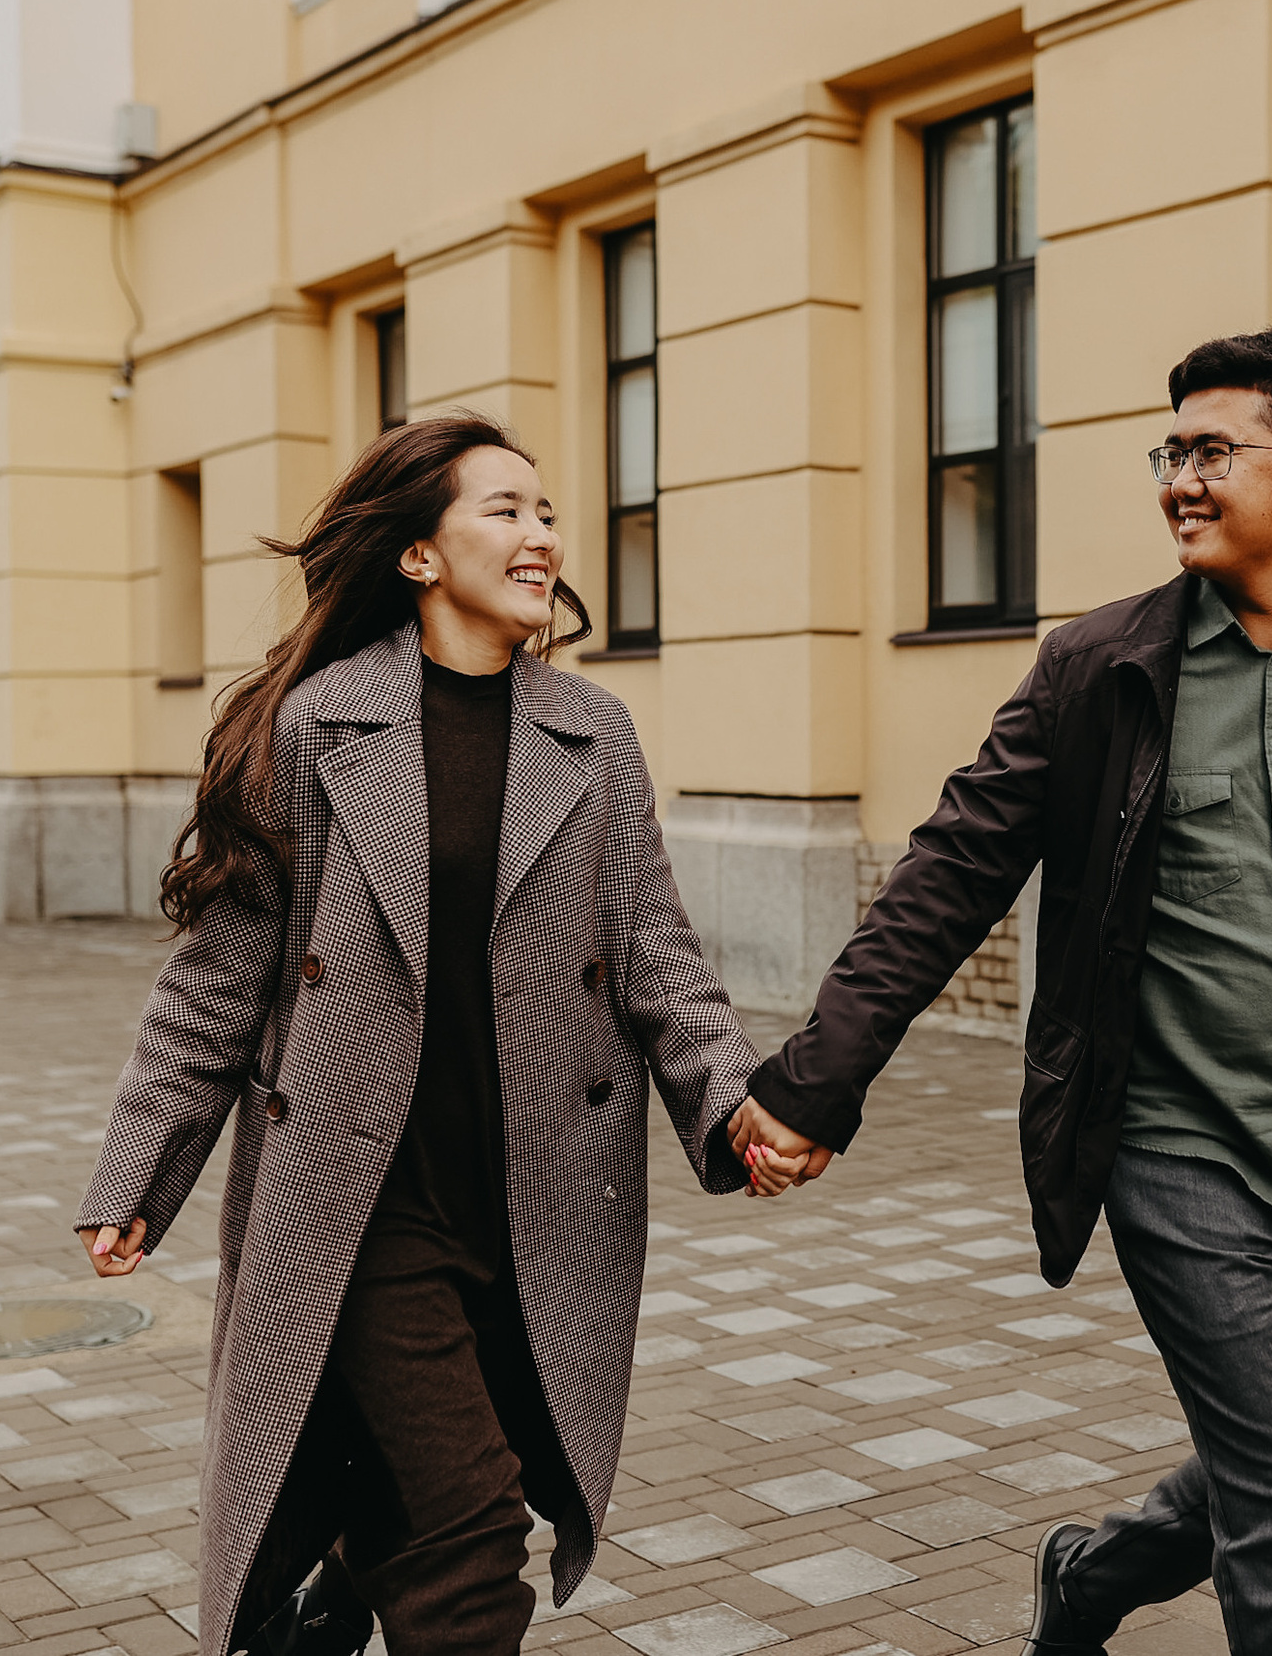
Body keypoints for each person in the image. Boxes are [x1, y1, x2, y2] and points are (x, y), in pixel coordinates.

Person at [742, 328, 1272, 1654]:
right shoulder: (1099, 669)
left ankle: (1093, 1571)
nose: (1179, 477)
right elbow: (950, 874)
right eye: (1170, 451)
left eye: (1211, 450)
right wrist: (812, 1079)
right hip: (1178, 1143)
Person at [74, 413, 806, 1656]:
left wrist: (732, 1102)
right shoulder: (319, 729)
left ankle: (335, 1591)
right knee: (470, 1547)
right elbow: (220, 978)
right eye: (505, 510)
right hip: (362, 1203)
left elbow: (654, 956)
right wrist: (142, 1166)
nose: (541, 536)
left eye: (546, 512)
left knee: (467, 1477)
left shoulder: (593, 731)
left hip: (535, 1203)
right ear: (418, 555)